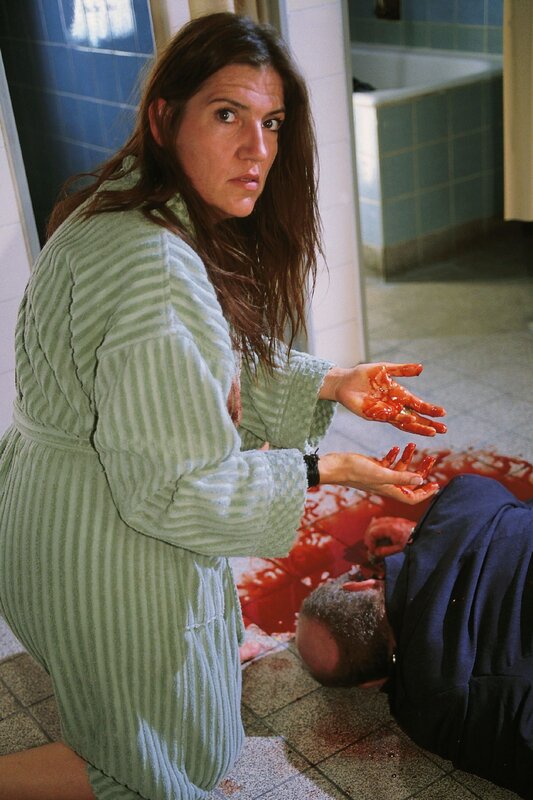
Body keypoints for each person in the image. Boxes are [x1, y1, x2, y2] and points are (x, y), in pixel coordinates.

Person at [0, 12, 447, 800]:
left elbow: (169, 379)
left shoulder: (118, 209)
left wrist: (331, 382)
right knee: (152, 762)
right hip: (109, 559)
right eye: (227, 114)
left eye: (271, 122)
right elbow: (175, 490)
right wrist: (327, 467)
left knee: (144, 739)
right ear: (164, 117)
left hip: (51, 518)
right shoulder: (156, 267)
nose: (257, 149)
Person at [296, 474, 533, 799]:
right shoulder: (463, 501)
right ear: (361, 584)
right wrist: (421, 542)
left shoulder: (439, 715)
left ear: (370, 683)